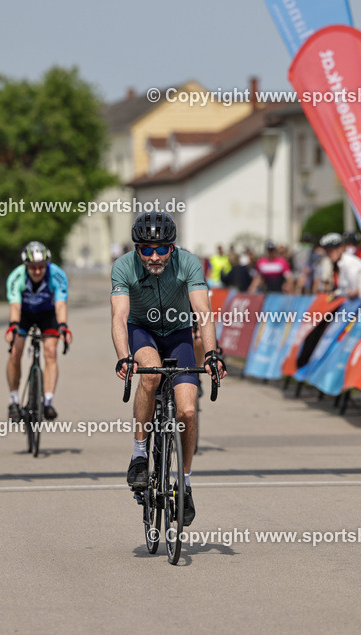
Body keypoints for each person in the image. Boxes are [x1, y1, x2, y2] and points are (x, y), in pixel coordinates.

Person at [111, 211, 226, 527]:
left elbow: (202, 312)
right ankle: (138, 454)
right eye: (146, 249)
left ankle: (185, 484)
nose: (154, 255)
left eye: (162, 248)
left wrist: (212, 353)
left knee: (187, 412)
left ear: (172, 248)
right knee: (149, 376)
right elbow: (120, 317)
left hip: (177, 334)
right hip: (142, 331)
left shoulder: (188, 263)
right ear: (137, 250)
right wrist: (124, 356)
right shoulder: (123, 267)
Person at [5, 241, 71, 422]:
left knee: (50, 351)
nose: (37, 271)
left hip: (47, 314)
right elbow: (15, 305)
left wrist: (63, 326)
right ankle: (14, 401)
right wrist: (13, 326)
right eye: (33, 267)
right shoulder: (16, 277)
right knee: (15, 352)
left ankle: (48, 402)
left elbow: (60, 303)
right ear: (26, 265)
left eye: (41, 267)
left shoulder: (56, 275)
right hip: (24, 314)